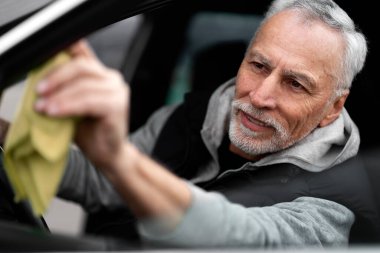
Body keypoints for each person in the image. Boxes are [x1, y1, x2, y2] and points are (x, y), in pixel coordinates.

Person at [6, 0, 379, 248]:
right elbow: (101, 182)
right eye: (258, 65)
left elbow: (241, 239)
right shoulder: (194, 115)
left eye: (295, 84)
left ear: (333, 108)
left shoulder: (335, 201)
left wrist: (118, 158)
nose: (261, 96)